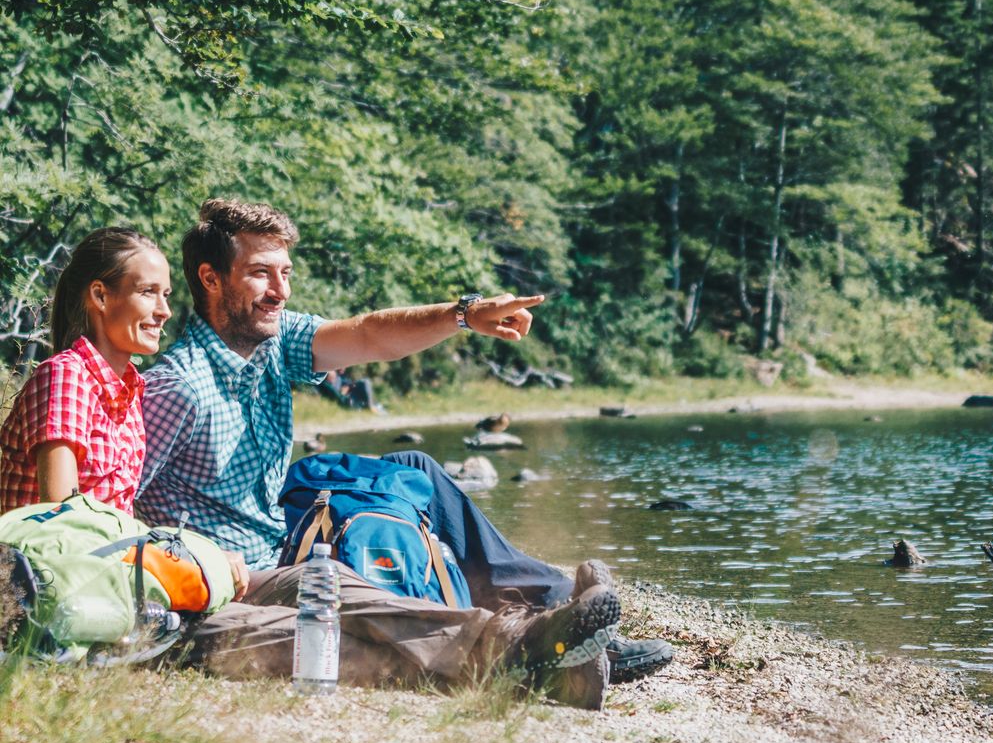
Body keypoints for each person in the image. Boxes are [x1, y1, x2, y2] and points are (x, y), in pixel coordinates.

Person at [133, 198, 665, 705]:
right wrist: (196, 564)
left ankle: (556, 602)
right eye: (261, 273)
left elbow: (368, 336)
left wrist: (465, 315)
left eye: (286, 273)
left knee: (413, 469)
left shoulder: (272, 343)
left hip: (275, 527)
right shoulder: (178, 386)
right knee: (340, 588)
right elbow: (115, 509)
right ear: (210, 278)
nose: (280, 291)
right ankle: (538, 643)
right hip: (236, 566)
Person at [0, 226, 252, 600]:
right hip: (55, 591)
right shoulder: (66, 376)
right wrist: (195, 557)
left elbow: (116, 519)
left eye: (165, 294)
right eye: (148, 292)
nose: (164, 311)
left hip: (108, 582)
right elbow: (65, 522)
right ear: (100, 296)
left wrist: (194, 554)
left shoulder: (131, 391)